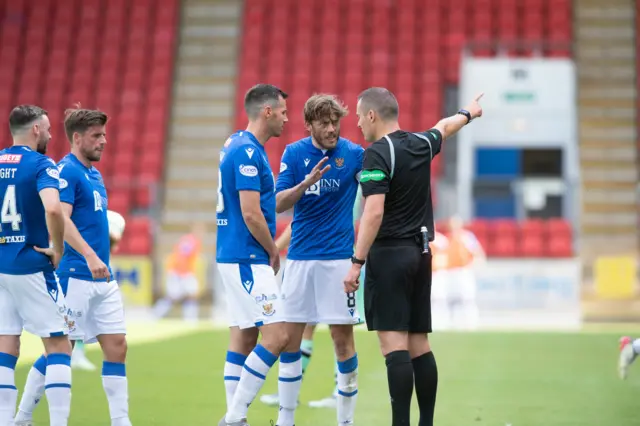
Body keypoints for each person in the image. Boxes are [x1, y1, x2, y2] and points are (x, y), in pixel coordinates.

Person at [343, 88, 484, 426]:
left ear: (373, 115)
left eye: (360, 116)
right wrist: (469, 112)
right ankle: (426, 422)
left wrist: (357, 262)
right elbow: (445, 127)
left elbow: (373, 213)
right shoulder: (421, 143)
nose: (359, 123)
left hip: (389, 256)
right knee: (419, 342)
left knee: (394, 347)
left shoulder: (376, 154)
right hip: (421, 255)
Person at [15, 107, 132, 426]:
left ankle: (121, 421)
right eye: (96, 136)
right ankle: (23, 416)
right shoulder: (66, 172)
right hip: (75, 275)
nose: (104, 141)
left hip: (102, 278)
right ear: (77, 138)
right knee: (59, 350)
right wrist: (90, 255)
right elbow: (62, 219)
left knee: (117, 346)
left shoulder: (93, 173)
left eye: (105, 134)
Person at [268, 93, 363, 426]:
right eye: (324, 123)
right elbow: (279, 203)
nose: (332, 128)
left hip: (339, 262)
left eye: (336, 122)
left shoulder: (353, 154)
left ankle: (345, 421)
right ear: (309, 124)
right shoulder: (294, 154)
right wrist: (305, 184)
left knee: (342, 340)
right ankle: (286, 419)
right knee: (289, 341)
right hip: (300, 261)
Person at [216, 84, 290, 426]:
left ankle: (236, 418)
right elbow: (250, 213)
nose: (287, 120)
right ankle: (234, 417)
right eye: (284, 112)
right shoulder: (248, 152)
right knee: (277, 337)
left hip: (232, 254)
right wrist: (273, 249)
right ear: (267, 112)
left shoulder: (235, 143)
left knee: (244, 336)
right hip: (246, 256)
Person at [260, 183, 367, 411]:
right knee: (309, 329)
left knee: (338, 332)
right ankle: (292, 394)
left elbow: (304, 221)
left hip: (333, 261)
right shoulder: (344, 182)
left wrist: (276, 248)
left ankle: (336, 393)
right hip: (323, 260)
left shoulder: (341, 185)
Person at [0, 105, 72, 425]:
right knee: (60, 345)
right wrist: (58, 249)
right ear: (35, 131)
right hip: (30, 264)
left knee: (6, 346)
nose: (52, 134)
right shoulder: (43, 164)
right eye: (48, 128)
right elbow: (54, 210)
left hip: (1, 265)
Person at [153, 222, 205, 322]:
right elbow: (181, 257)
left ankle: (190, 319)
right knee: (173, 297)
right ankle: (156, 314)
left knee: (192, 295)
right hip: (179, 273)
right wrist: (179, 273)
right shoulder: (190, 241)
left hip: (186, 273)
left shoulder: (193, 241)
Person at [443, 216, 485, 330]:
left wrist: (478, 263)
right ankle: (452, 321)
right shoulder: (448, 238)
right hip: (450, 271)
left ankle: (471, 321)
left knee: (467, 297)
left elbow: (477, 250)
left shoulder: (466, 236)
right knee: (451, 297)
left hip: (463, 270)